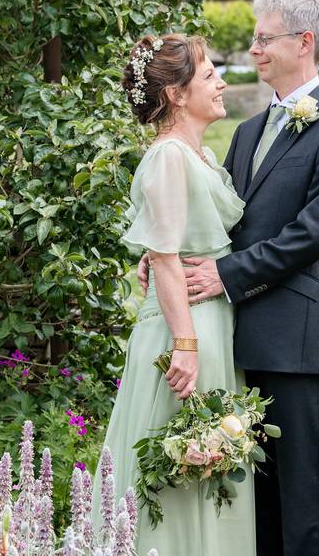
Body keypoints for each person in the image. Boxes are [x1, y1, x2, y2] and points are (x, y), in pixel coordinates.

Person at [139, 0, 319, 556]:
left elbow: (314, 233)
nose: (254, 49)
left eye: (264, 38)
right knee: (249, 499)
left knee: (302, 494)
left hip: (295, 338)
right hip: (234, 341)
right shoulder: (244, 132)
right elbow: (223, 222)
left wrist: (225, 276)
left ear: (304, 42)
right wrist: (160, 249)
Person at [96, 33, 255, 556]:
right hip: (181, 328)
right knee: (179, 462)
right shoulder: (168, 155)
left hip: (211, 320)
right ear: (176, 95)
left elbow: (177, 237)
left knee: (210, 460)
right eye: (210, 75)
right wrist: (185, 344)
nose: (222, 82)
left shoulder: (198, 153)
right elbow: (164, 255)